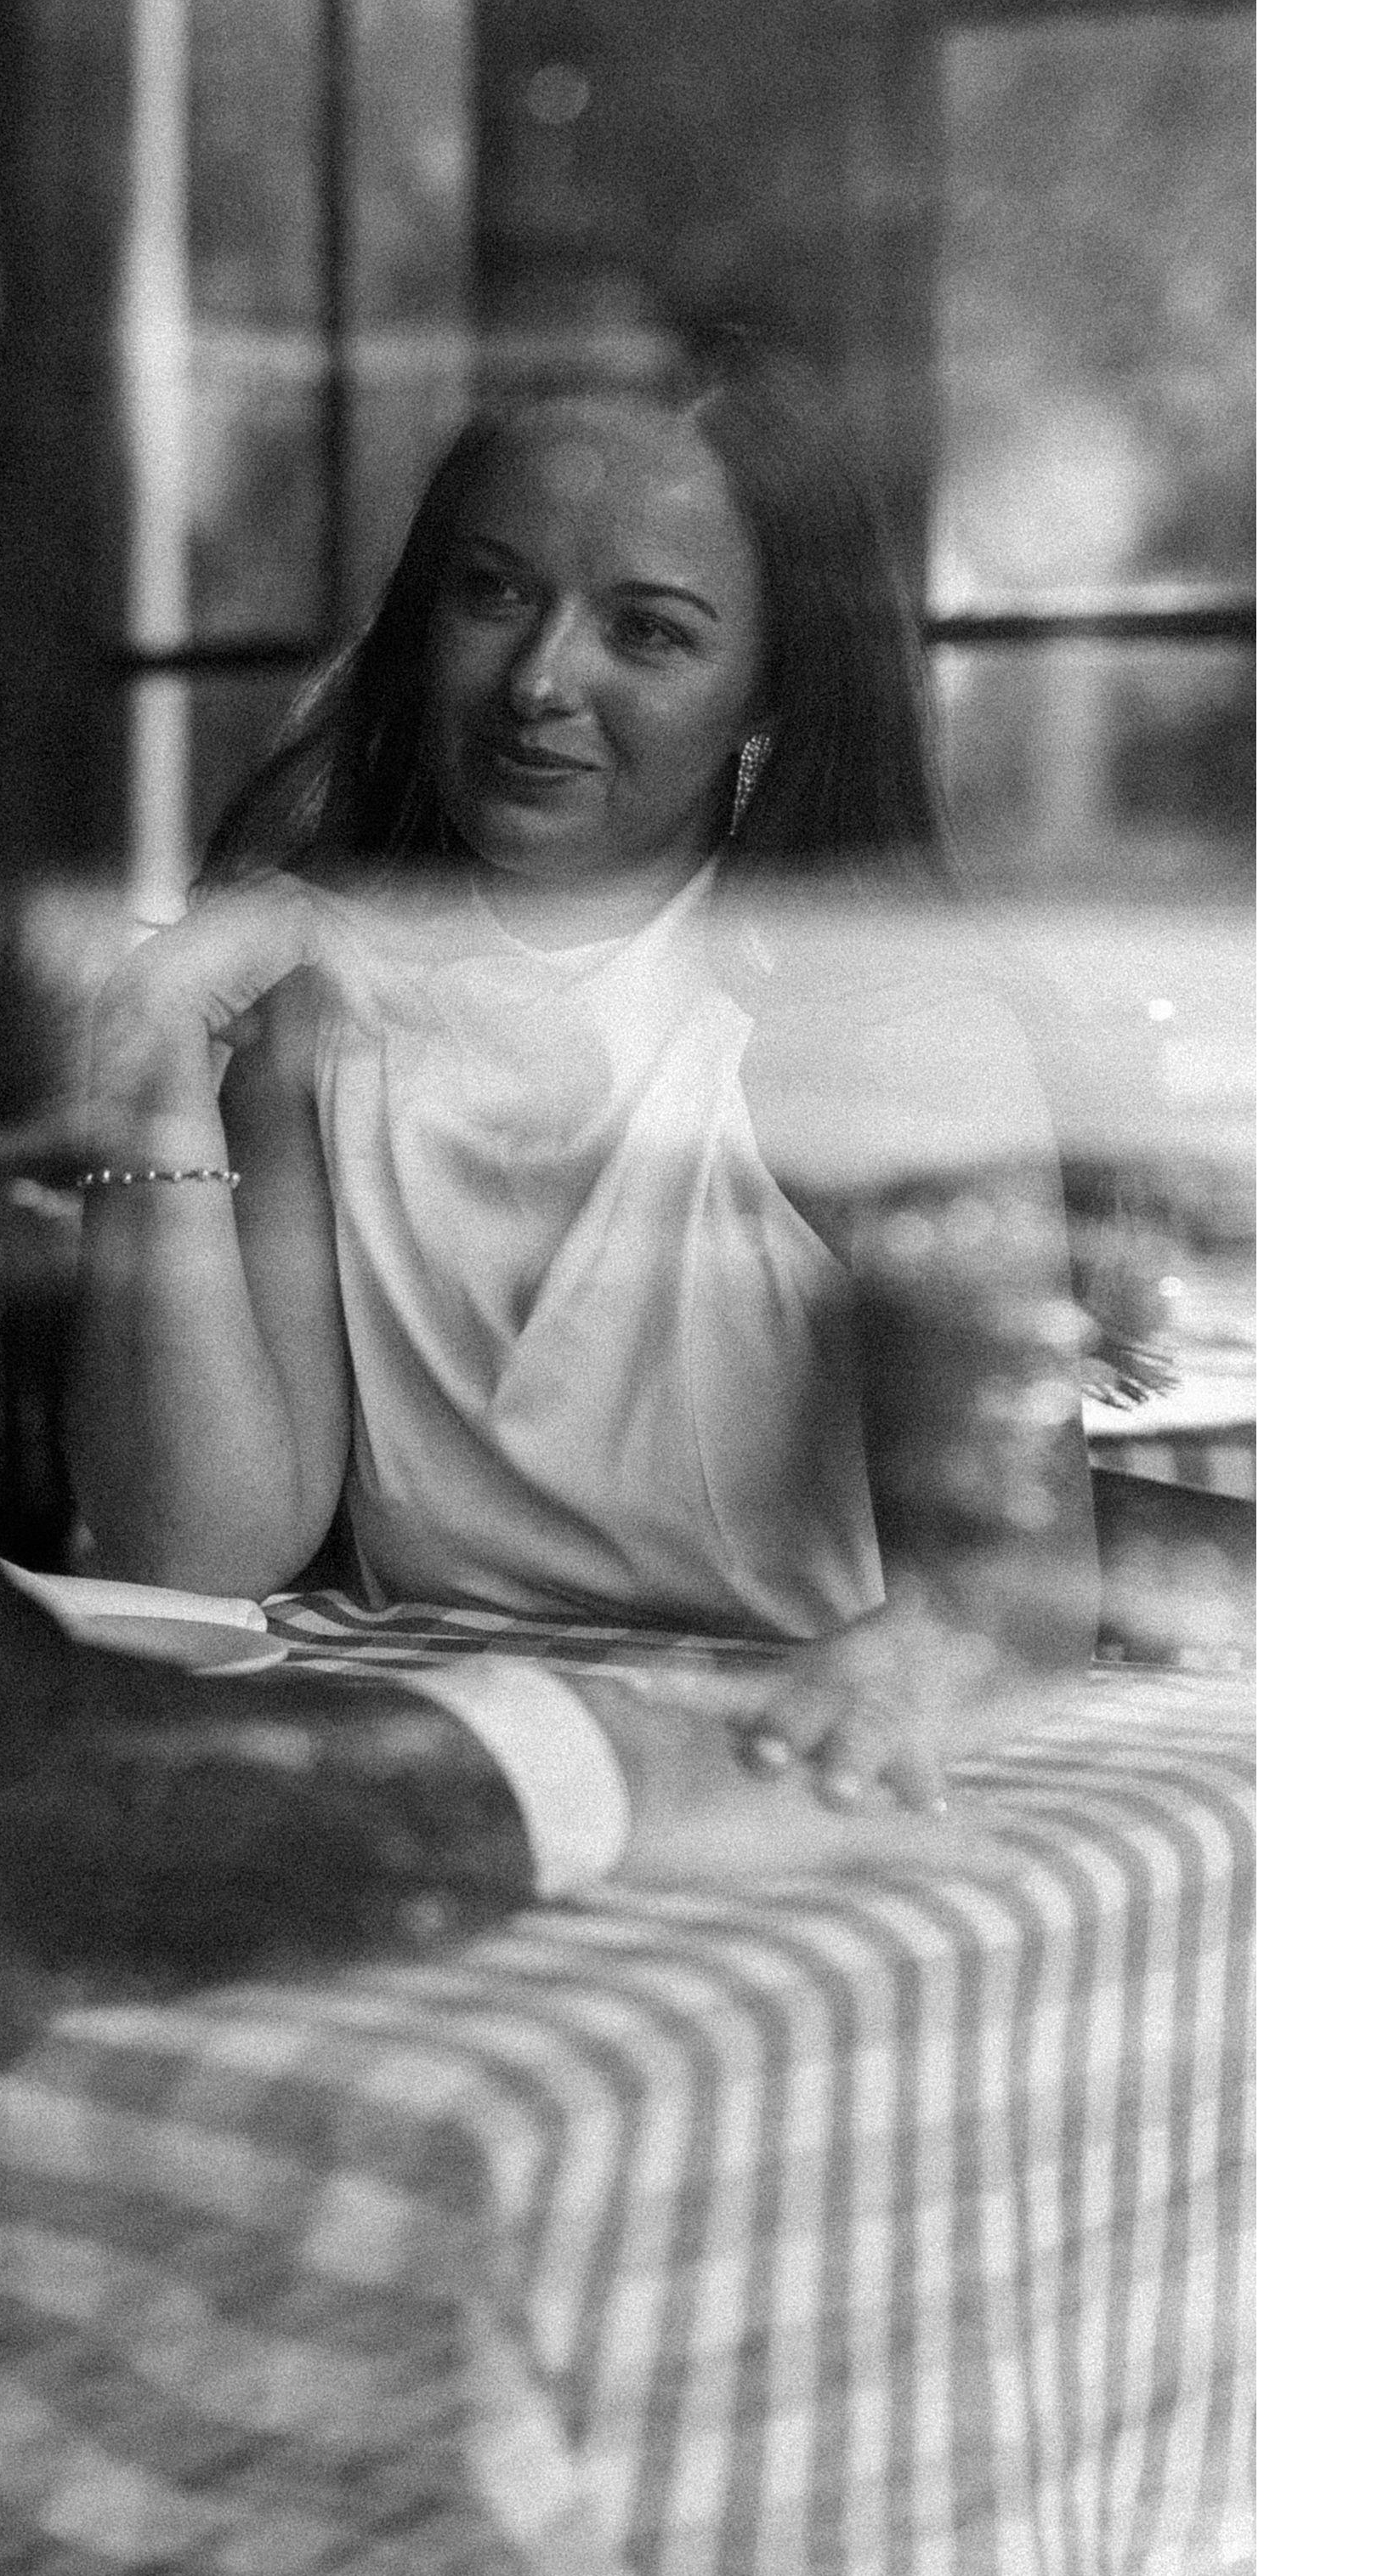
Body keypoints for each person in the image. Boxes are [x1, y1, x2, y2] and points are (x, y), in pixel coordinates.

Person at [66, 333, 1094, 1817]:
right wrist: (154, 1065)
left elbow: (1015, 1590)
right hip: (439, 1763)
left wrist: (906, 1665)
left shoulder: (880, 1035)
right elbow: (192, 1555)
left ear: (769, 692)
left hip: (778, 1779)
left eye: (649, 632)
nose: (539, 680)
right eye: (493, 595)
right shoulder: (317, 1006)